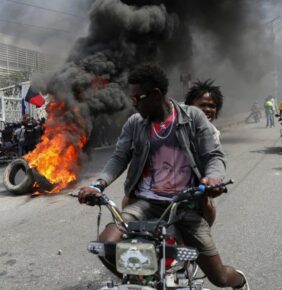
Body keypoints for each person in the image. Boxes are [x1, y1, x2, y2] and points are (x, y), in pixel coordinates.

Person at [78, 65, 249, 290]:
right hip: (145, 203)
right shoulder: (135, 123)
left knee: (220, 278)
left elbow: (213, 156)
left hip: (184, 205)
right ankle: (146, 280)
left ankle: (241, 281)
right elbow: (119, 158)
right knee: (106, 244)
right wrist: (98, 185)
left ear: (156, 95)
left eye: (137, 98)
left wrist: (214, 178)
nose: (133, 103)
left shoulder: (193, 117)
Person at [184, 79, 224, 226]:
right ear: (189, 108)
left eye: (212, 106)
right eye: (202, 105)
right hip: (162, 186)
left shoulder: (214, 134)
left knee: (208, 209)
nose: (207, 109)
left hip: (194, 189)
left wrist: (213, 178)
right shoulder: (175, 123)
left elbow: (214, 159)